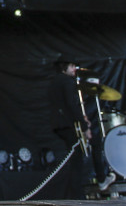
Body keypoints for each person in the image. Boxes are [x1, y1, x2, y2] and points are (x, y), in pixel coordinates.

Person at [47, 59, 92, 199]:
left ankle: (74, 194)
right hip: (66, 124)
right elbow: (72, 105)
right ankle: (77, 196)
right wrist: (84, 127)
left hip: (59, 123)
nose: (74, 68)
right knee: (76, 158)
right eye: (71, 66)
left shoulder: (54, 82)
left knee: (73, 157)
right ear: (64, 68)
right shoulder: (67, 82)